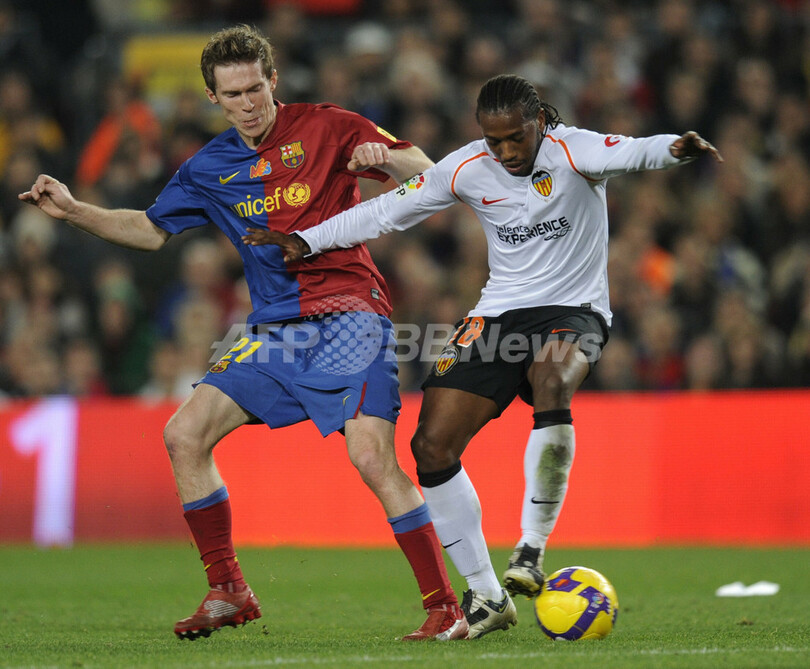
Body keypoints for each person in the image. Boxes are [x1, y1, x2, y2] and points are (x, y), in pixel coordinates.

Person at [18, 24, 469, 642]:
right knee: (184, 435)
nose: (248, 103)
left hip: (348, 310)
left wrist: (384, 160)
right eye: (232, 94)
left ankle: (445, 607)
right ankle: (228, 589)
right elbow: (149, 230)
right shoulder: (208, 167)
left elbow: (432, 175)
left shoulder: (330, 125)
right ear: (214, 98)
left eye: (256, 88)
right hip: (276, 328)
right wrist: (74, 211)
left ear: (273, 80)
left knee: (369, 456)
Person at [242, 73, 723, 639]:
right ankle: (488, 597)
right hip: (498, 315)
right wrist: (307, 240)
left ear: (539, 122)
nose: (507, 152)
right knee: (431, 446)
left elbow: (633, 152)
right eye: (495, 141)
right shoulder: (468, 167)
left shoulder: (574, 149)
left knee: (552, 380)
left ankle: (531, 550)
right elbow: (388, 210)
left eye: (517, 137)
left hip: (574, 309)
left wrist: (675, 147)